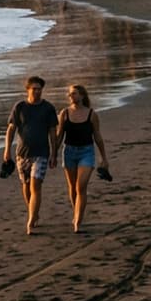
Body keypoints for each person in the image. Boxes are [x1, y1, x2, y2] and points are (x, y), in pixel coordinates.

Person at [2, 75, 61, 236]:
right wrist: (6, 150)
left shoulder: (48, 108)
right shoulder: (20, 107)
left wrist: (54, 153)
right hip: (22, 154)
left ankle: (30, 220)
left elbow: (52, 132)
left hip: (41, 153)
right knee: (26, 186)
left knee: (36, 186)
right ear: (27, 89)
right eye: (34, 88)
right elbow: (11, 129)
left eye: (39, 88)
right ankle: (33, 212)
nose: (37, 91)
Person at [53, 84, 111, 233]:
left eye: (75, 93)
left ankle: (78, 220)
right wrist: (53, 154)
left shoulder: (91, 114)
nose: (71, 96)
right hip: (69, 152)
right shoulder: (64, 113)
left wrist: (104, 157)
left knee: (81, 186)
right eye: (70, 94)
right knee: (72, 188)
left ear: (82, 96)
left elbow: (97, 136)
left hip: (87, 151)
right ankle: (76, 212)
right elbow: (59, 136)